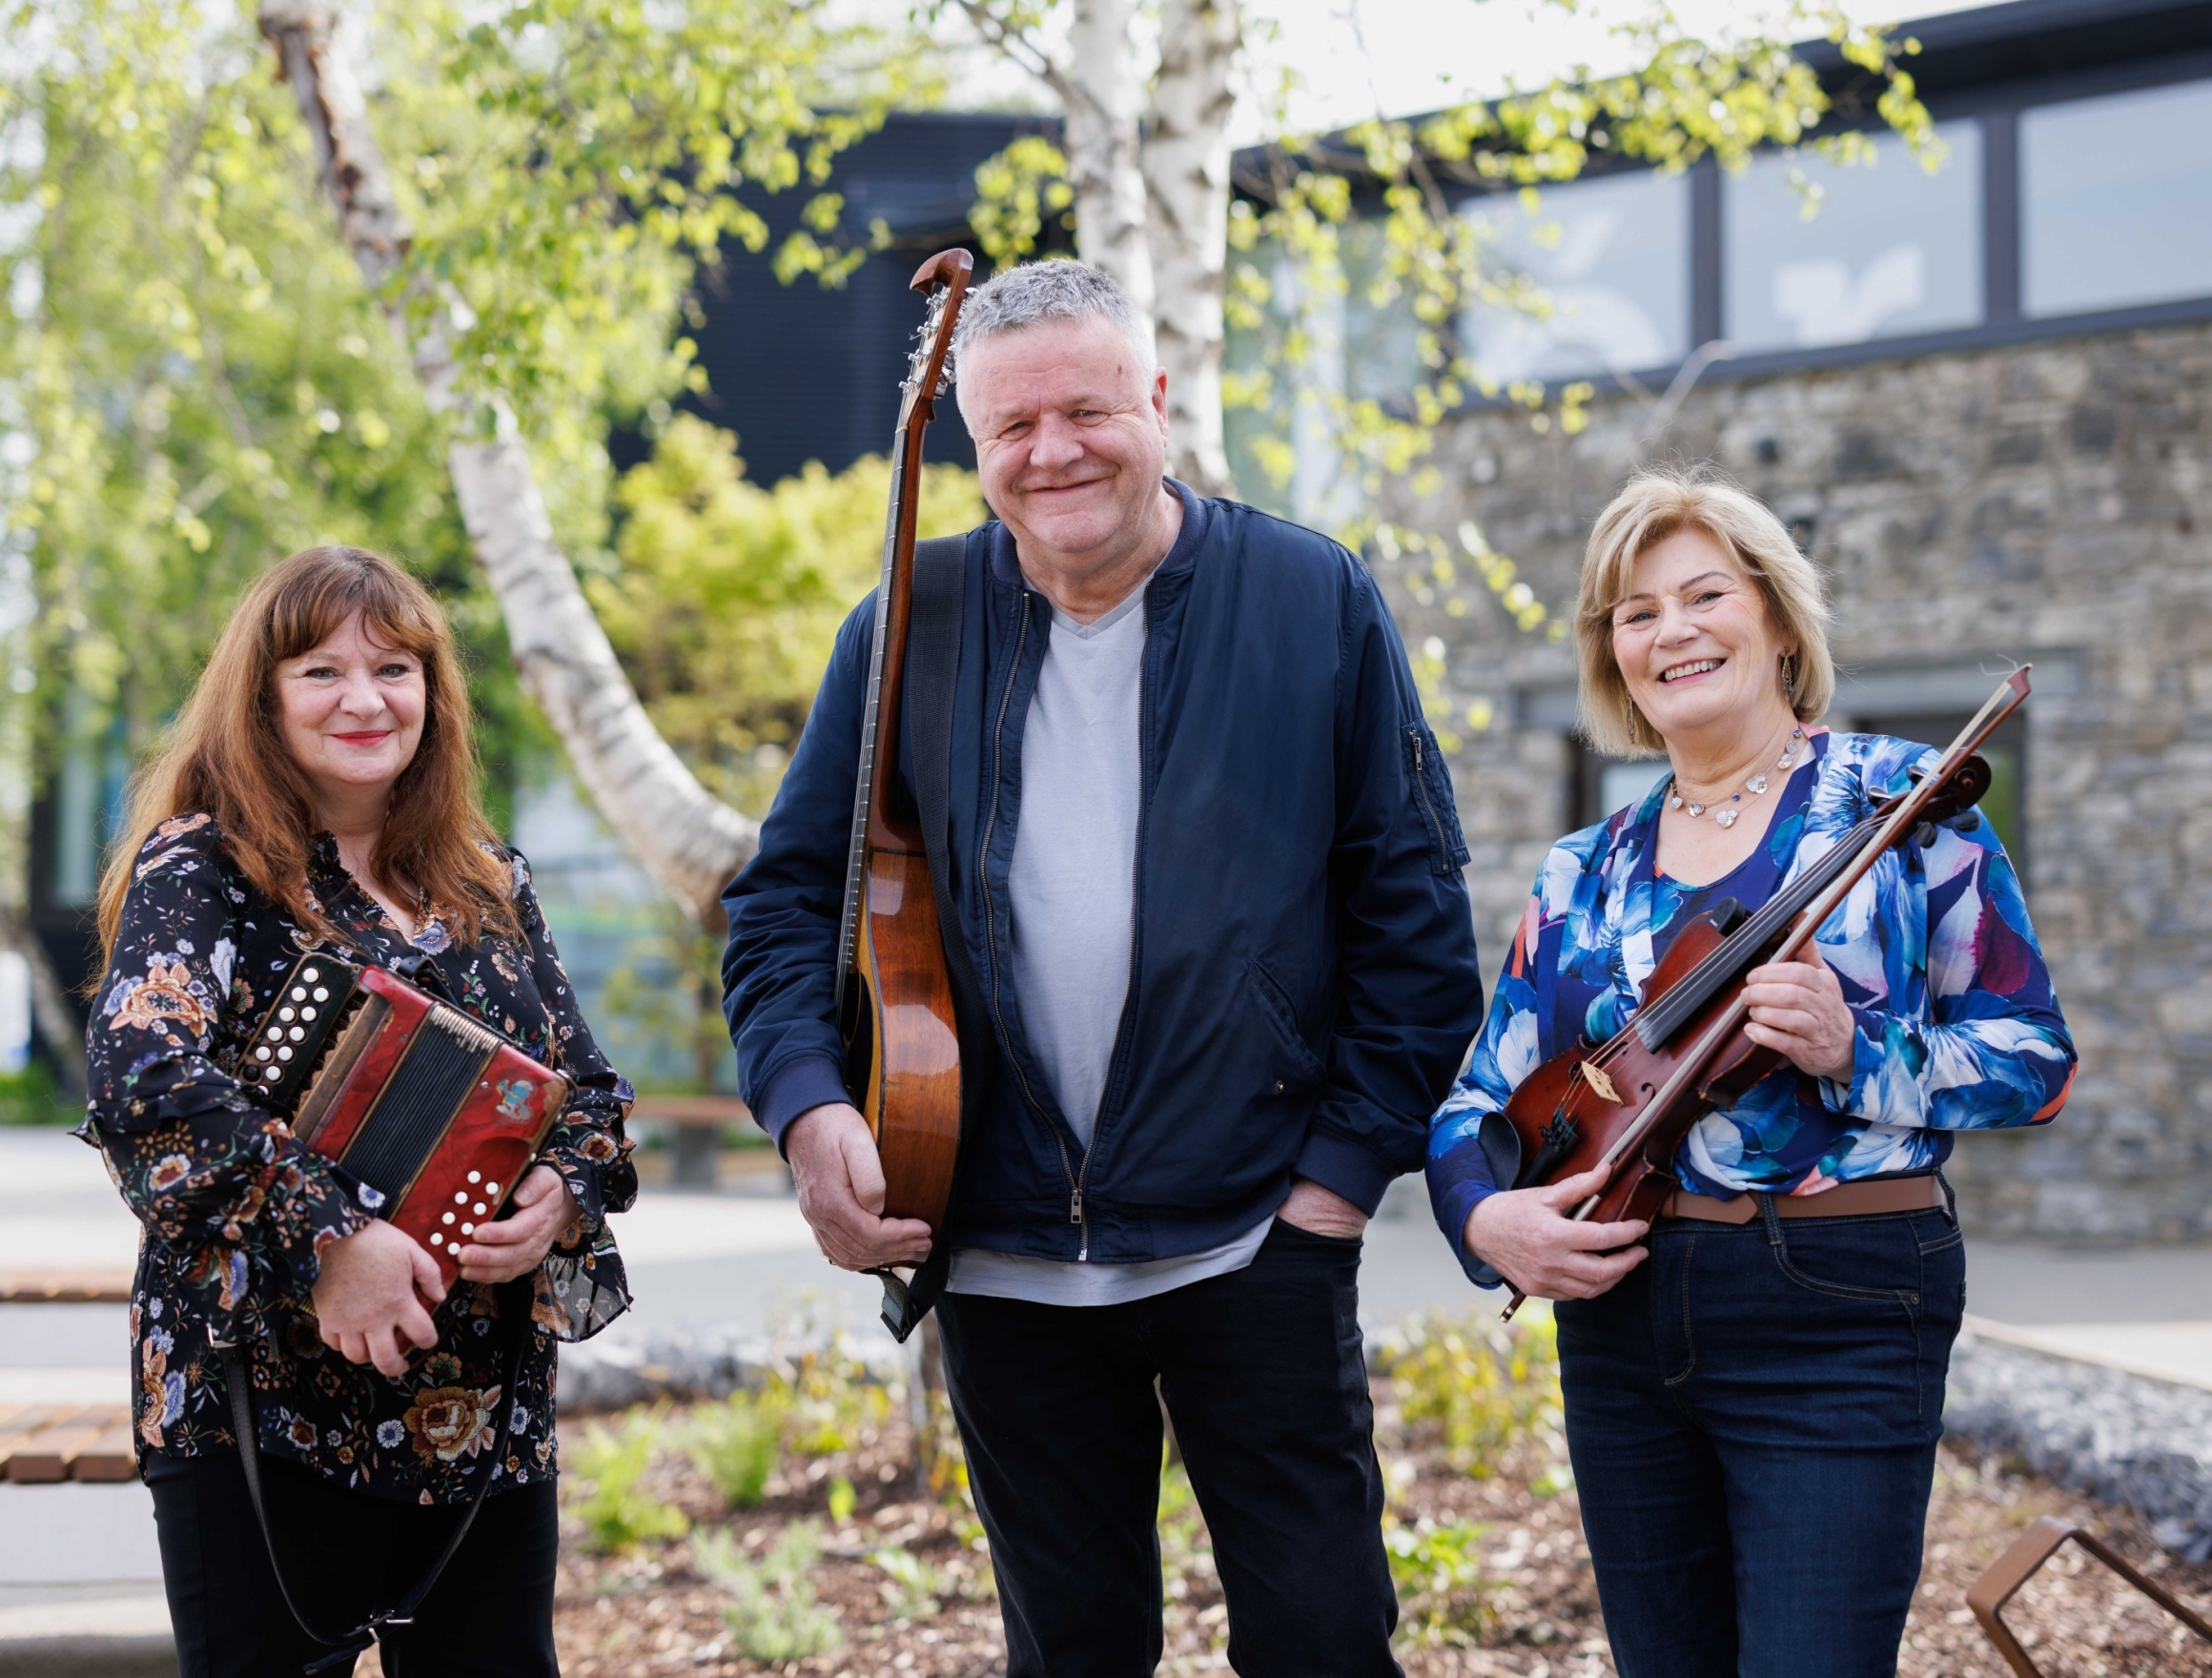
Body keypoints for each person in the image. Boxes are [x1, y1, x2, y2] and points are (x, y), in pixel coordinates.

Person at [723, 259, 1484, 1676]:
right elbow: (779, 905)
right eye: (1011, 426)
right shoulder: (906, 623)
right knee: (1070, 1654)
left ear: (1158, 399)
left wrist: (1333, 1186)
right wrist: (806, 1102)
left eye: (1086, 408)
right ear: (969, 443)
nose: (1052, 450)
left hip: (1256, 1231)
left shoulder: (1309, 596)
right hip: (1002, 1244)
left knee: (1324, 1642)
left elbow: (1417, 923)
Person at [1427, 467, 2076, 1678]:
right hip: (1620, 1317)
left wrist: (1856, 1050)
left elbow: (2035, 1060)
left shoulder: (1904, 808)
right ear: (1612, 653)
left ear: (1775, 617)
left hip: (1835, 1297)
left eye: (1703, 593)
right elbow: (1480, 1097)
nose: (1670, 629)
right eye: (1633, 611)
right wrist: (1485, 1218)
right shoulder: (1585, 866)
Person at [82, 545, 636, 1676]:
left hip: (481, 1417)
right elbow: (142, 1075)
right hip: (261, 1398)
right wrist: (333, 1242)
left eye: (394, 666)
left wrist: (556, 1192)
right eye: (321, 671)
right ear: (263, 696)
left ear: (432, 691)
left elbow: (589, 1093)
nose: (365, 698)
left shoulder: (485, 873)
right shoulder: (204, 866)